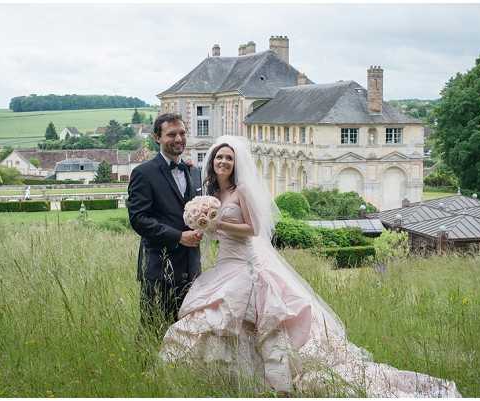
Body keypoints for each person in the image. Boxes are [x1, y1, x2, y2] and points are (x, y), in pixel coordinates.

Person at [159, 135, 462, 397]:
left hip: (246, 264)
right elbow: (215, 231)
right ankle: (230, 379)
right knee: (215, 319)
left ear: (236, 164)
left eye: (228, 158)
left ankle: (276, 382)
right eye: (219, 157)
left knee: (250, 319)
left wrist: (219, 222)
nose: (222, 161)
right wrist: (205, 227)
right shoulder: (211, 195)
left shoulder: (242, 192)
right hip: (223, 263)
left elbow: (252, 229)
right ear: (212, 161)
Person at [127, 113, 203, 332]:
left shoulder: (193, 171)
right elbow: (139, 220)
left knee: (187, 332)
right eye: (171, 134)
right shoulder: (143, 173)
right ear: (157, 137)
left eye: (182, 133)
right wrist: (179, 236)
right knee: (153, 330)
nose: (178, 139)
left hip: (191, 267)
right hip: (159, 268)